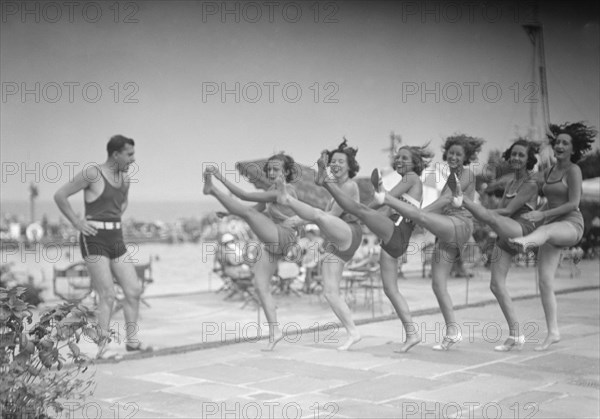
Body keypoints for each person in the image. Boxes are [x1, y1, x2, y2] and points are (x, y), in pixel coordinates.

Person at [318, 143, 434, 352]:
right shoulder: (408, 183)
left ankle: (326, 182)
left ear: (415, 164)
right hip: (395, 238)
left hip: (396, 232)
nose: (399, 161)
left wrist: (362, 212)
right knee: (391, 290)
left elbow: (383, 200)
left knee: (362, 209)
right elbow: (386, 208)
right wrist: (364, 215)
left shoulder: (412, 178)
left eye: (405, 159)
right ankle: (412, 334)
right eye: (398, 158)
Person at [373, 134, 484, 350]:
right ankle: (452, 331)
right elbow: (441, 205)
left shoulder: (468, 174)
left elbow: (445, 200)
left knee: (420, 216)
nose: (453, 156)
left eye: (458, 154)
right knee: (437, 284)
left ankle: (385, 197)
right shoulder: (450, 176)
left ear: (466, 157)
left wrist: (417, 214)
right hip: (446, 229)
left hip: (459, 224)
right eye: (450, 153)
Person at [54, 135, 152, 358]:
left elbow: (122, 202)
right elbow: (60, 195)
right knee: (107, 295)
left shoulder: (125, 180)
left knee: (133, 291)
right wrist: (77, 222)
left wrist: (113, 218)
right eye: (129, 154)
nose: (133, 159)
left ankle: (132, 343)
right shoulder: (93, 173)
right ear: (115, 154)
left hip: (116, 237)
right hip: (94, 239)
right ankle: (102, 348)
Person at [509, 122, 597, 350]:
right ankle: (553, 333)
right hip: (550, 227)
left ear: (572, 149)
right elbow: (532, 186)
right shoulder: (548, 171)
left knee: (545, 231)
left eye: (565, 143)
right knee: (545, 282)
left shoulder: (573, 171)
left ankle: (524, 244)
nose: (559, 145)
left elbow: (573, 203)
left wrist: (543, 214)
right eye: (557, 142)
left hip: (570, 225)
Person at [203, 153, 300, 351]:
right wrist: (230, 213)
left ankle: (212, 189)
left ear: (287, 172)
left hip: (284, 236)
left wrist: (219, 176)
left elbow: (244, 198)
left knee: (247, 215)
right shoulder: (272, 190)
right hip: (274, 240)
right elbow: (254, 208)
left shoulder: (286, 190)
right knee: (260, 286)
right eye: (270, 169)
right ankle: (275, 332)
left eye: (276, 169)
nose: (271, 172)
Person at [275, 139, 363, 350]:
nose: (337, 164)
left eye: (341, 161)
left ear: (350, 166)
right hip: (335, 243)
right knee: (330, 292)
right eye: (333, 161)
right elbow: (324, 217)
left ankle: (286, 198)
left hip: (350, 232)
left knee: (318, 215)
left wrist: (299, 218)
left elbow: (329, 216)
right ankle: (353, 332)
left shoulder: (350, 186)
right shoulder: (334, 192)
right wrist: (298, 223)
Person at [457, 139, 540, 351]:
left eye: (521, 155)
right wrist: (480, 216)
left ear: (529, 159)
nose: (516, 158)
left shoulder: (531, 184)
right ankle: (516, 334)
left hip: (522, 230)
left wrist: (476, 211)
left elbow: (506, 211)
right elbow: (500, 211)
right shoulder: (510, 182)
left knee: (490, 218)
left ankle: (461, 200)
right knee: (495, 285)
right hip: (506, 232)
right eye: (514, 154)